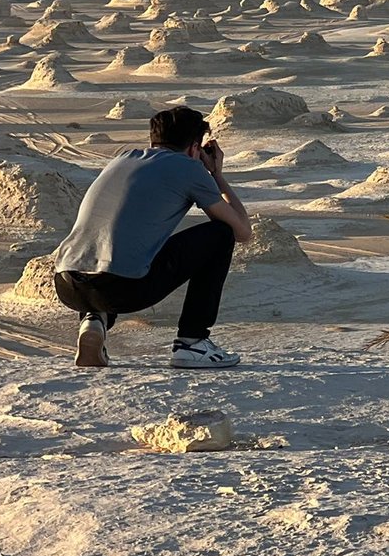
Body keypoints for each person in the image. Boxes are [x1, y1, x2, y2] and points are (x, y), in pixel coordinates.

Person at [52, 106, 252, 368]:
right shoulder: (188, 169)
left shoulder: (123, 158)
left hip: (67, 285)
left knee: (113, 244)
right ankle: (192, 343)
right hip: (121, 290)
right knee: (220, 234)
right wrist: (216, 175)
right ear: (195, 149)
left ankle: (93, 320)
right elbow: (242, 232)